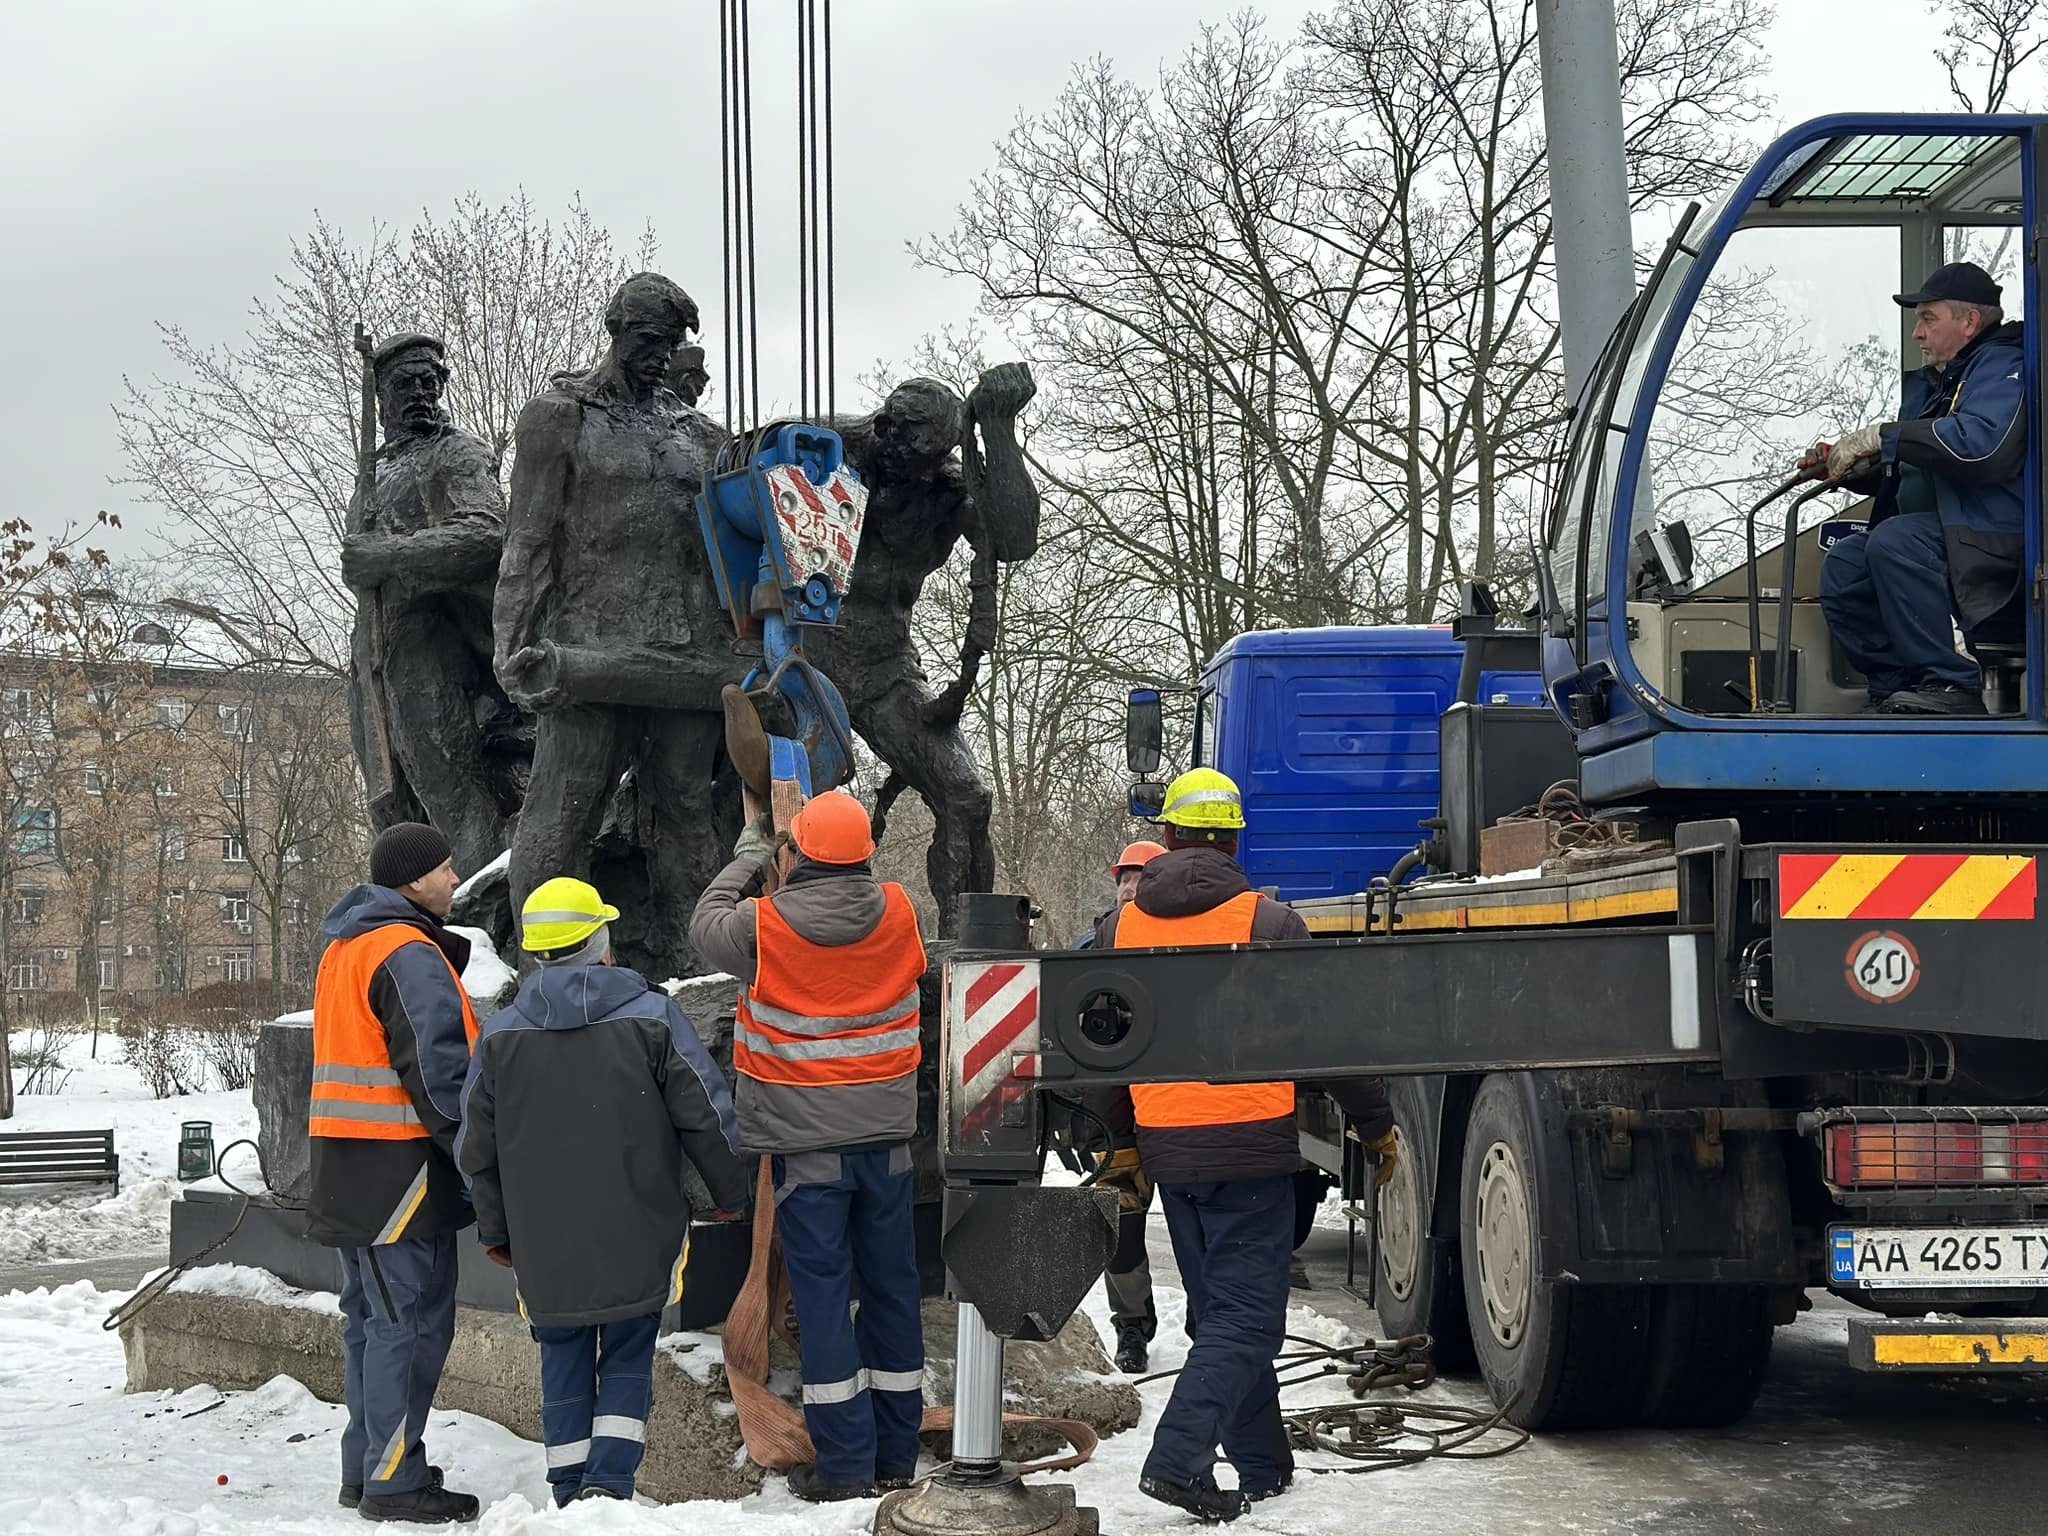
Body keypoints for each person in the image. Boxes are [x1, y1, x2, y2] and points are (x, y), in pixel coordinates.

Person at [1086, 770, 1397, 1524]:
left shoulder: (1120, 928)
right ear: (1231, 839)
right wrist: (1374, 1124)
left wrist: (1121, 1145)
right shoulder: (1271, 922)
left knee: (1222, 1316)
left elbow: (1097, 1045)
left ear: (1165, 837)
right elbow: (1327, 1039)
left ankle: (1263, 1466)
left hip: (1169, 1150)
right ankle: (1176, 1462)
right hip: (1251, 1153)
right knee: (1247, 1322)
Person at [456, 877, 752, 1507]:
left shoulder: (501, 1035)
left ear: (536, 952)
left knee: (560, 1351)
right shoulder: (653, 1017)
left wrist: (496, 1230)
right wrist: (733, 1193)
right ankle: (609, 1490)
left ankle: (568, 1490)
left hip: (542, 1242)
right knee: (627, 1349)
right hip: (638, 1229)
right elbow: (706, 1112)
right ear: (602, 944)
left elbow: (473, 1149)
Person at [494, 272, 743, 980]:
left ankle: (699, 978)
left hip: (687, 657)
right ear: (615, 330)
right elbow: (528, 538)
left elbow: (732, 543)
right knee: (562, 813)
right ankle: (545, 977)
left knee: (689, 817)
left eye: (671, 345)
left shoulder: (700, 434)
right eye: (648, 340)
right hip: (589, 651)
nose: (660, 356)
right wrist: (511, 640)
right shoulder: (558, 415)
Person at [688, 790, 928, 1502]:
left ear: (797, 854)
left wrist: (748, 857)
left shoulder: (761, 928)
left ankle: (847, 1465)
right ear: (866, 856)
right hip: (887, 1143)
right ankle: (895, 1457)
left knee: (823, 1301)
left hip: (806, 1149)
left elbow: (704, 923)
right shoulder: (900, 912)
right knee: (893, 1293)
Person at [806, 366, 1039, 931]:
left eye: (940, 458)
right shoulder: (819, 451)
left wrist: (1000, 432)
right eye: (918, 457)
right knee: (787, 815)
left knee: (966, 798)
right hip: (800, 660)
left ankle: (963, 951)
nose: (928, 473)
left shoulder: (944, 483)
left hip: (886, 667)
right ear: (885, 431)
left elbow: (1014, 541)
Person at [308, 823, 481, 1525]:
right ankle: (393, 1482)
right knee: (407, 1327)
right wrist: (479, 1160)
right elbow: (441, 1080)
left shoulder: (346, 946)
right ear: (413, 881)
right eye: (445, 867)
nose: (455, 877)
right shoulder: (406, 951)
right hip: (400, 1169)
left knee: (373, 1324)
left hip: (354, 1166)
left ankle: (370, 1467)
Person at [340, 333, 521, 876]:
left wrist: (388, 555)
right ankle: (424, 917)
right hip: (376, 659)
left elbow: (486, 534)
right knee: (394, 807)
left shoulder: (456, 453)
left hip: (436, 647)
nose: (420, 393)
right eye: (404, 384)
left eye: (430, 382)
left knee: (451, 794)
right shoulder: (376, 469)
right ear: (381, 395)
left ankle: (484, 919)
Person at [1812, 261, 2026, 716]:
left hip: (1999, 542)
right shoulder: (1942, 382)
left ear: (1969, 322)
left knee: (1896, 540)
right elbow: (1922, 467)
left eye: (1928, 319)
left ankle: (1952, 684)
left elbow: (1981, 449)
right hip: (1951, 535)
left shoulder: (2004, 367)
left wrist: (1885, 435)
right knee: (1847, 563)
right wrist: (1853, 467)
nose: (1917, 334)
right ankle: (1897, 684)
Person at [1073, 840, 1168, 1372]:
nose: (1129, 886)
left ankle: (1207, 1327)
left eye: (1140, 876)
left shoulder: (1180, 949)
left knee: (1195, 1229)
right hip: (1117, 1126)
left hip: (1176, 1117)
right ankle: (1132, 1330)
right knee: (1123, 1236)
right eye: (1123, 878)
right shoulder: (1092, 949)